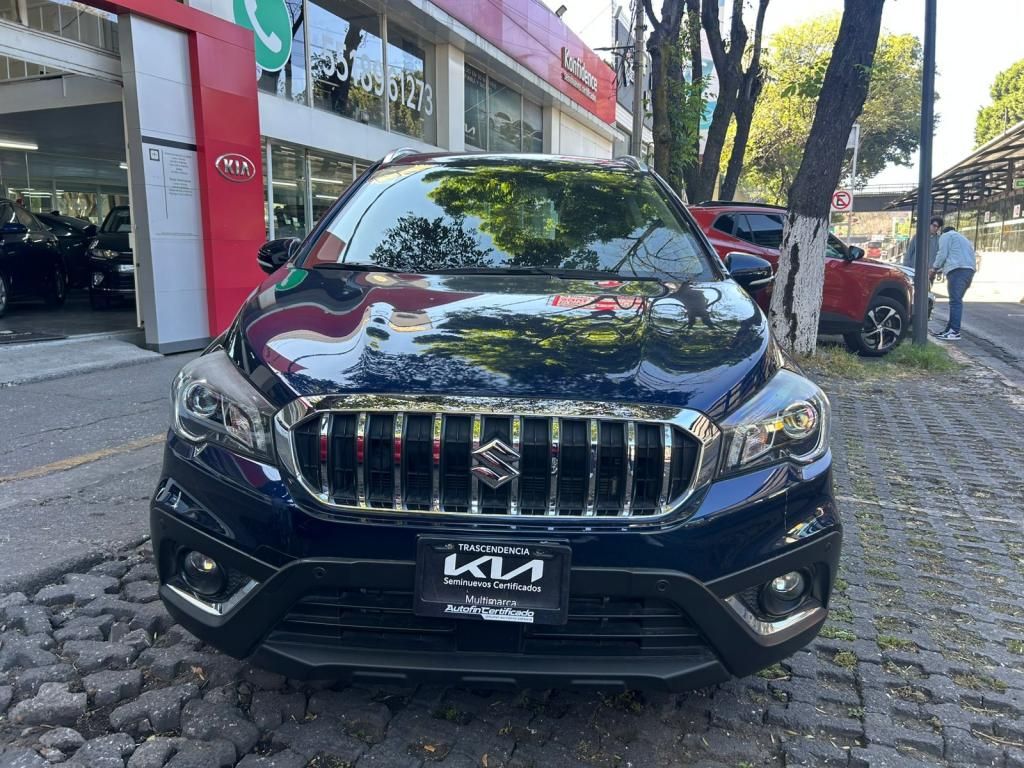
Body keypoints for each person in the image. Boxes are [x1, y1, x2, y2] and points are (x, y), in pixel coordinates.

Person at [929, 218, 977, 341]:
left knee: (955, 301)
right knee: (956, 301)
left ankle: (954, 331)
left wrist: (934, 268)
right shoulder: (963, 238)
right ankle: (949, 330)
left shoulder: (946, 236)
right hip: (969, 271)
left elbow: (942, 254)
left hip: (957, 271)